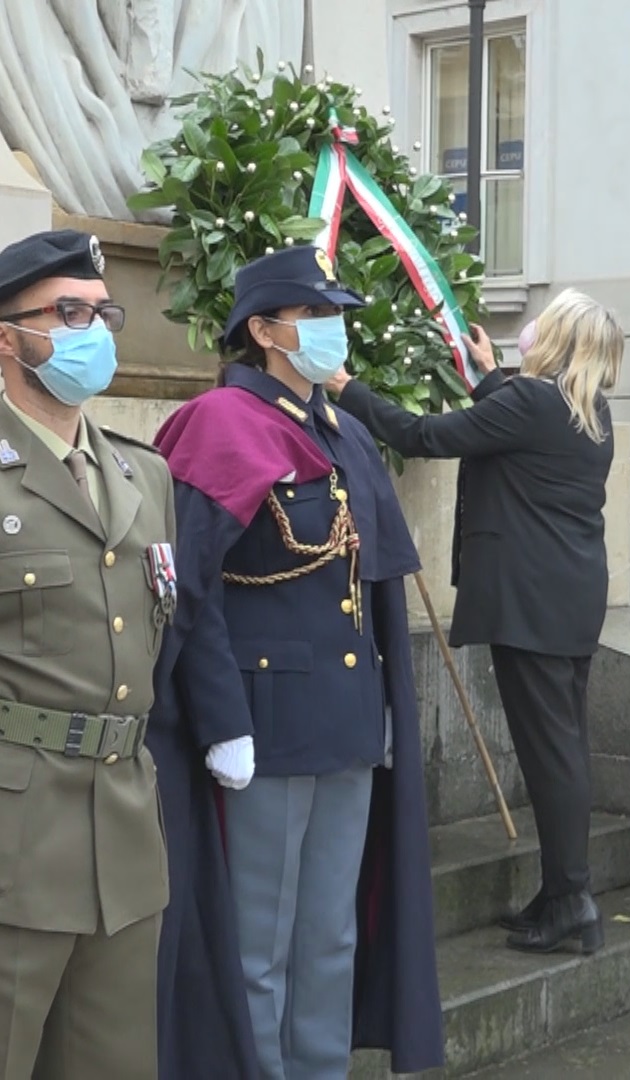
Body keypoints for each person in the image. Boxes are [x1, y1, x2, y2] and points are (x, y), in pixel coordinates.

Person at [150, 245, 443, 1079]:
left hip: (346, 727)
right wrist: (221, 723)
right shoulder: (220, 425)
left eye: (334, 315)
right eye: (316, 317)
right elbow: (190, 588)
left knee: (329, 937)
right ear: (266, 331)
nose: (333, 331)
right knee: (260, 948)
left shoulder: (341, 431)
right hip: (263, 733)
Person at [327, 288, 622, 954]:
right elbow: (510, 423)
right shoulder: (585, 409)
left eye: (543, 320)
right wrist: (488, 375)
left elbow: (422, 436)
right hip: (569, 598)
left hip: (532, 603)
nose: (532, 326)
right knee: (564, 748)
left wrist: (348, 387)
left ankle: (571, 899)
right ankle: (562, 891)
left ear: (558, 338)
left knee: (551, 756)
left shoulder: (532, 403)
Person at [0, 230, 173, 1079]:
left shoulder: (145, 478)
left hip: (125, 833)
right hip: (15, 838)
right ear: (8, 336)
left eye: (102, 312)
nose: (91, 329)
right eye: (66, 312)